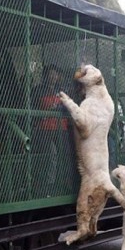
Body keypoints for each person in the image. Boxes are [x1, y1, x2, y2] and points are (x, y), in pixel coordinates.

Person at [31, 64, 75, 196]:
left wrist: (59, 108)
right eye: (50, 74)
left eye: (55, 74)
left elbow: (68, 106)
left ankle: (63, 184)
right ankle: (47, 185)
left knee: (65, 155)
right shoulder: (38, 90)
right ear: (45, 75)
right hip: (45, 128)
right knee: (50, 155)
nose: (53, 76)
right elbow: (33, 108)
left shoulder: (61, 90)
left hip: (61, 128)